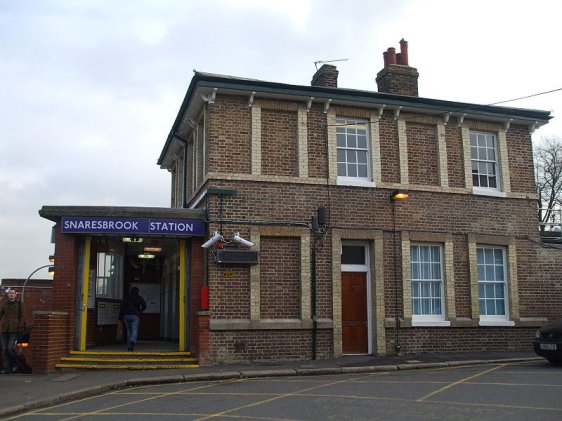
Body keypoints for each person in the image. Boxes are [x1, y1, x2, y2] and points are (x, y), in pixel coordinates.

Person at [0, 289, 25, 374]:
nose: (11, 294)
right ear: (8, 295)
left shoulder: (19, 304)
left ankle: (16, 364)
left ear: (15, 295)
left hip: (14, 329)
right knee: (4, 350)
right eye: (10, 293)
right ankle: (7, 369)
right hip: (4, 329)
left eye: (13, 293)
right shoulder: (5, 304)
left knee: (10, 348)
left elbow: (22, 316)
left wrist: (21, 327)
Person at [119, 287, 146, 352]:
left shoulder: (127, 298)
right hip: (135, 316)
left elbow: (122, 307)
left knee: (129, 330)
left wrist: (120, 317)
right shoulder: (139, 298)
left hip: (126, 315)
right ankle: (132, 342)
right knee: (134, 330)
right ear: (137, 291)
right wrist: (140, 311)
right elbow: (144, 305)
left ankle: (129, 346)